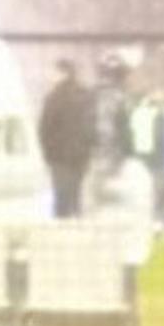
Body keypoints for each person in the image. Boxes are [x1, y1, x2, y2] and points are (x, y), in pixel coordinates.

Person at [37, 59, 94, 218]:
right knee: (76, 192)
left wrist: (47, 152)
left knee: (61, 195)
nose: (51, 76)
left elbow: (45, 128)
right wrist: (89, 147)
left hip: (59, 154)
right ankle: (77, 218)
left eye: (53, 73)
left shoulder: (54, 97)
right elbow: (92, 124)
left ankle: (63, 223)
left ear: (62, 73)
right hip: (81, 153)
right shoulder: (85, 95)